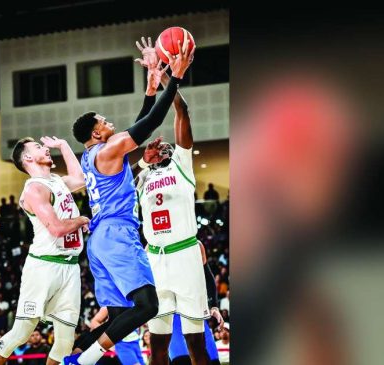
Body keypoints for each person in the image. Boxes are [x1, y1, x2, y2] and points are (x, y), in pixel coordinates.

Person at [65, 35, 194, 365]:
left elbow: (138, 128)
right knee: (148, 306)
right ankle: (84, 360)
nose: (110, 123)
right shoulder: (108, 149)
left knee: (122, 317)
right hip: (117, 234)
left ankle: (79, 356)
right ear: (96, 133)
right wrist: (175, 76)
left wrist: (151, 87)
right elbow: (148, 124)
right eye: (104, 122)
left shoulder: (92, 155)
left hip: (101, 240)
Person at [132, 37, 212, 365]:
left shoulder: (182, 164)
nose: (162, 146)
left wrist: (166, 74)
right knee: (158, 345)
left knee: (195, 342)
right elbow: (135, 137)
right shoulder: (142, 177)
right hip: (155, 260)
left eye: (166, 145)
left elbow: (181, 110)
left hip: (184, 255)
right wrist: (151, 75)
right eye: (156, 146)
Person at [0, 136, 90, 365]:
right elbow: (56, 228)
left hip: (70, 266)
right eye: (38, 147)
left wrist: (64, 145)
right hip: (44, 266)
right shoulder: (34, 189)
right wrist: (81, 219)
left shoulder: (56, 181)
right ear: (27, 157)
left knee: (66, 342)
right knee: (21, 332)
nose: (45, 148)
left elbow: (80, 178)